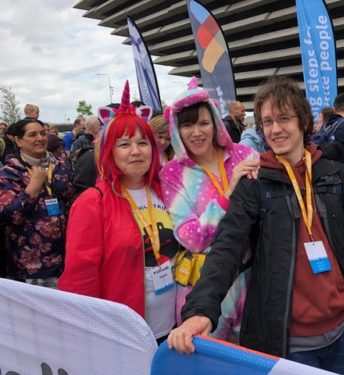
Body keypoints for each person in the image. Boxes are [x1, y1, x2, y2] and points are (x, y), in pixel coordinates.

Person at [167, 77, 344, 375]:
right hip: (288, 338)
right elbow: (226, 248)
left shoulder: (336, 175)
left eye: (284, 118)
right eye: (268, 121)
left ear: (304, 121)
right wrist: (201, 309)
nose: (276, 128)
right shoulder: (255, 184)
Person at [59, 82, 179, 343]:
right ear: (110, 151)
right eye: (124, 144)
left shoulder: (167, 191)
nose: (136, 151)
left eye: (142, 143)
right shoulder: (93, 202)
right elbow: (80, 283)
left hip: (173, 328)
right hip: (123, 336)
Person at [160, 78, 259, 340]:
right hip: (204, 288)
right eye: (187, 124)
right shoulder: (172, 173)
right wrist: (228, 196)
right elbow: (192, 238)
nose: (196, 132)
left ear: (215, 123)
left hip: (253, 281)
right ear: (176, 130)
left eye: (203, 122)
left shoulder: (245, 155)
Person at [0, 118, 74, 287]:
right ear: (18, 140)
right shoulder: (9, 173)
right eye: (32, 135)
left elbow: (70, 198)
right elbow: (10, 216)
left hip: (66, 258)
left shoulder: (61, 164)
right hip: (31, 264)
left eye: (42, 133)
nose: (40, 138)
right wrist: (31, 190)